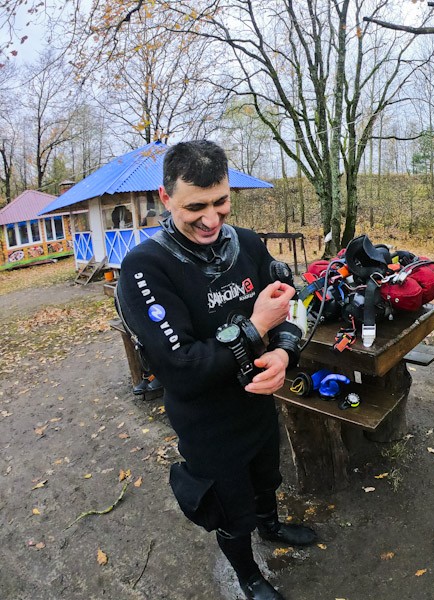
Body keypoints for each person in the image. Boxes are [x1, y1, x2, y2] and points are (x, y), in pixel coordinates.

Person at [116, 140, 315, 600]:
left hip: (258, 401)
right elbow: (180, 368)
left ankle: (272, 526)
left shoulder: (245, 243)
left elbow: (295, 302)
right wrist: (256, 325)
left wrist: (284, 351)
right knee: (229, 506)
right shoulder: (145, 268)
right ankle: (248, 576)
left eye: (221, 202)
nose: (211, 219)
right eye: (195, 207)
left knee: (267, 477)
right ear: (166, 199)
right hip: (206, 421)